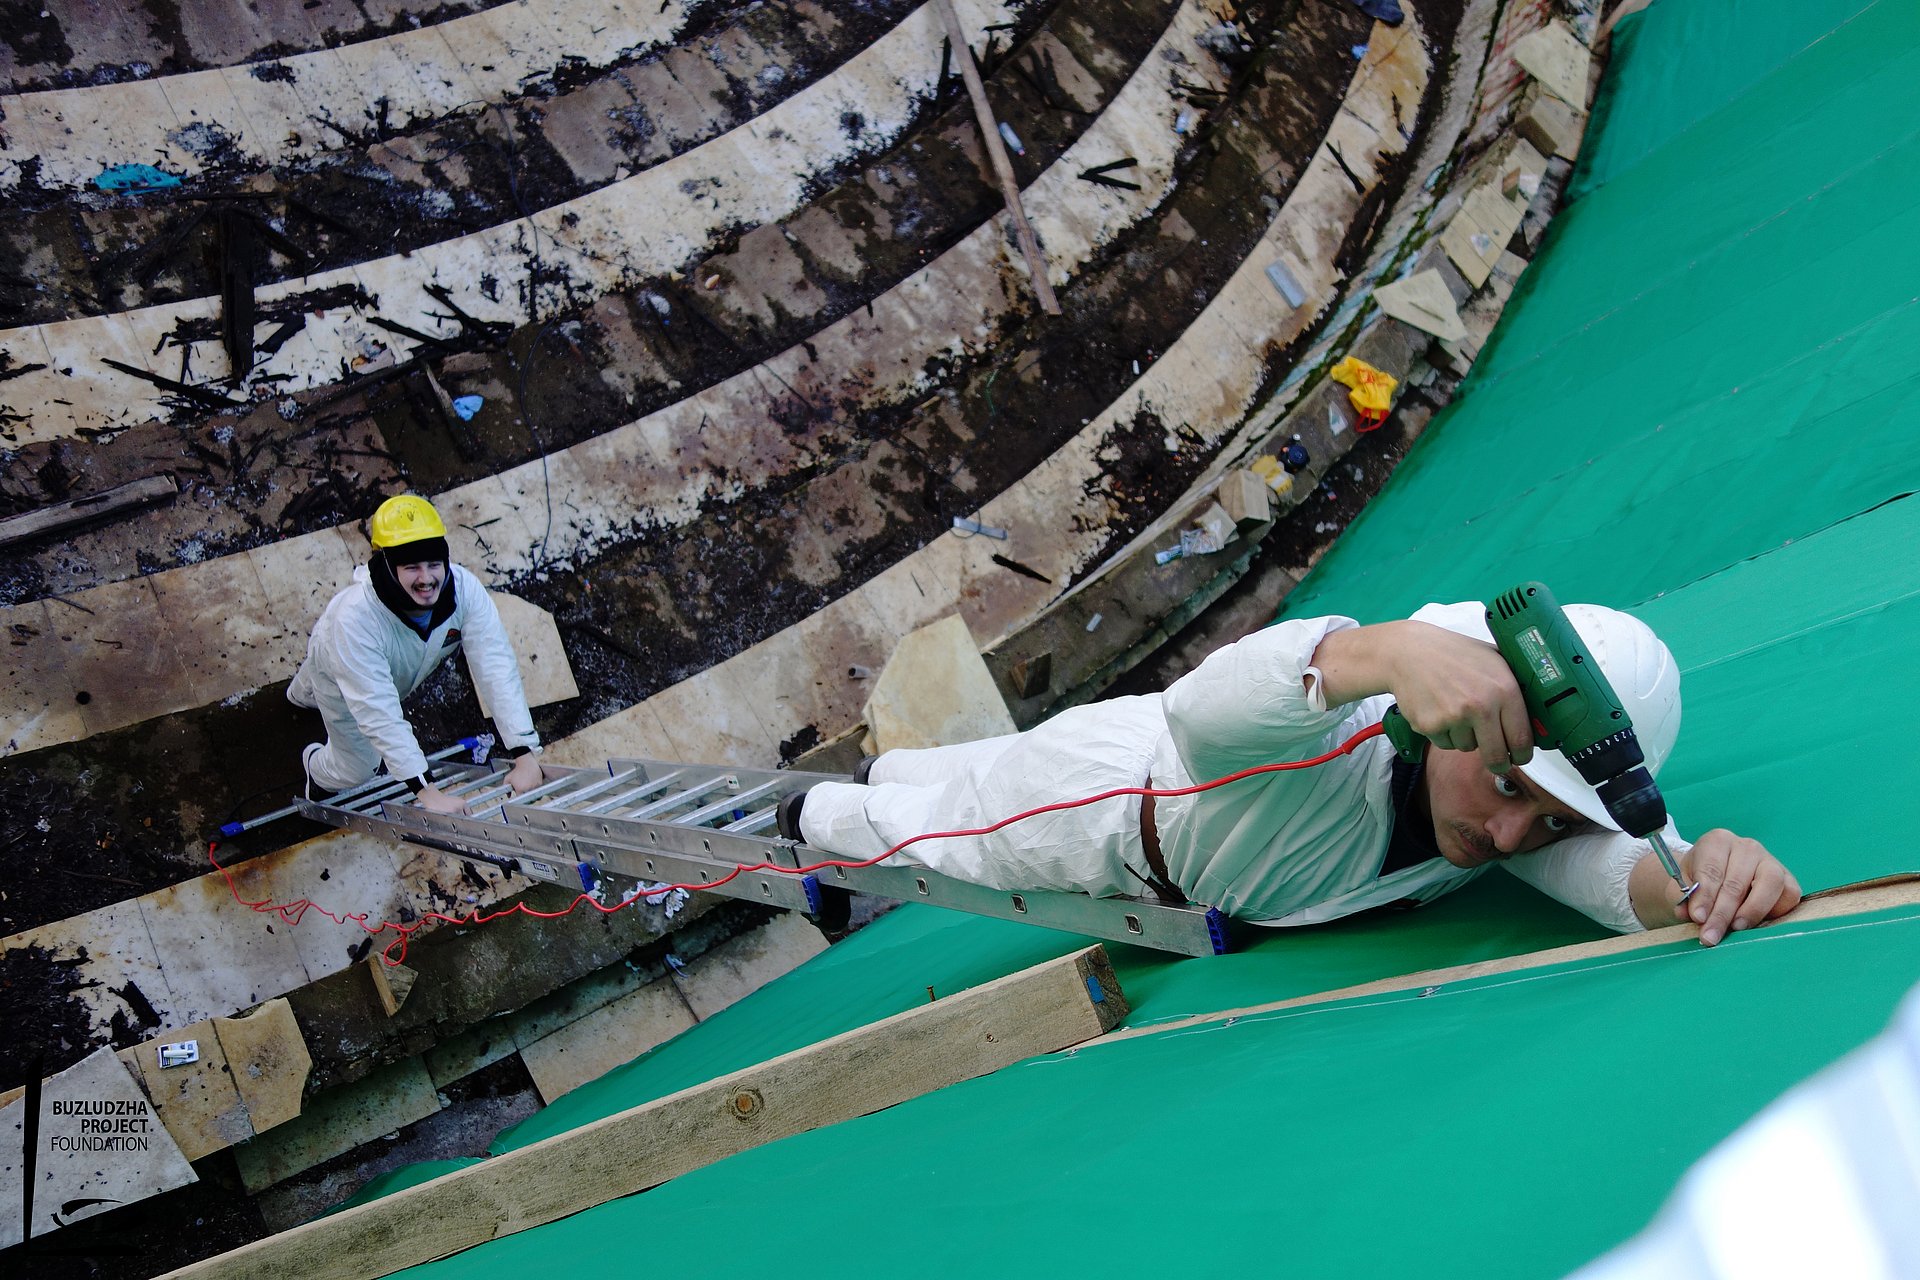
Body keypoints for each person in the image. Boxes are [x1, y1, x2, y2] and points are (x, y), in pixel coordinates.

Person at [785, 602, 1802, 945]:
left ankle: (896, 762)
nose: (1503, 838)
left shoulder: (1515, 819)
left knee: (970, 768)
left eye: (1542, 818)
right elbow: (1205, 711)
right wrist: (1385, 650)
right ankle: (819, 805)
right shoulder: (1344, 716)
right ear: (1440, 717)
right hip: (1101, 813)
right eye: (1505, 788)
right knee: (948, 834)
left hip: (1132, 763)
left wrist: (1700, 877)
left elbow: (1603, 874)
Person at [289, 494, 544, 814]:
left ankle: (301, 694)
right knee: (358, 767)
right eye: (411, 567)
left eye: (434, 564)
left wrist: (523, 751)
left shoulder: (464, 589)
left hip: (377, 669)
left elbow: (495, 663)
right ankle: (315, 768)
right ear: (387, 565)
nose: (426, 579)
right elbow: (377, 711)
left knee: (322, 681)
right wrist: (426, 791)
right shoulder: (354, 620)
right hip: (340, 663)